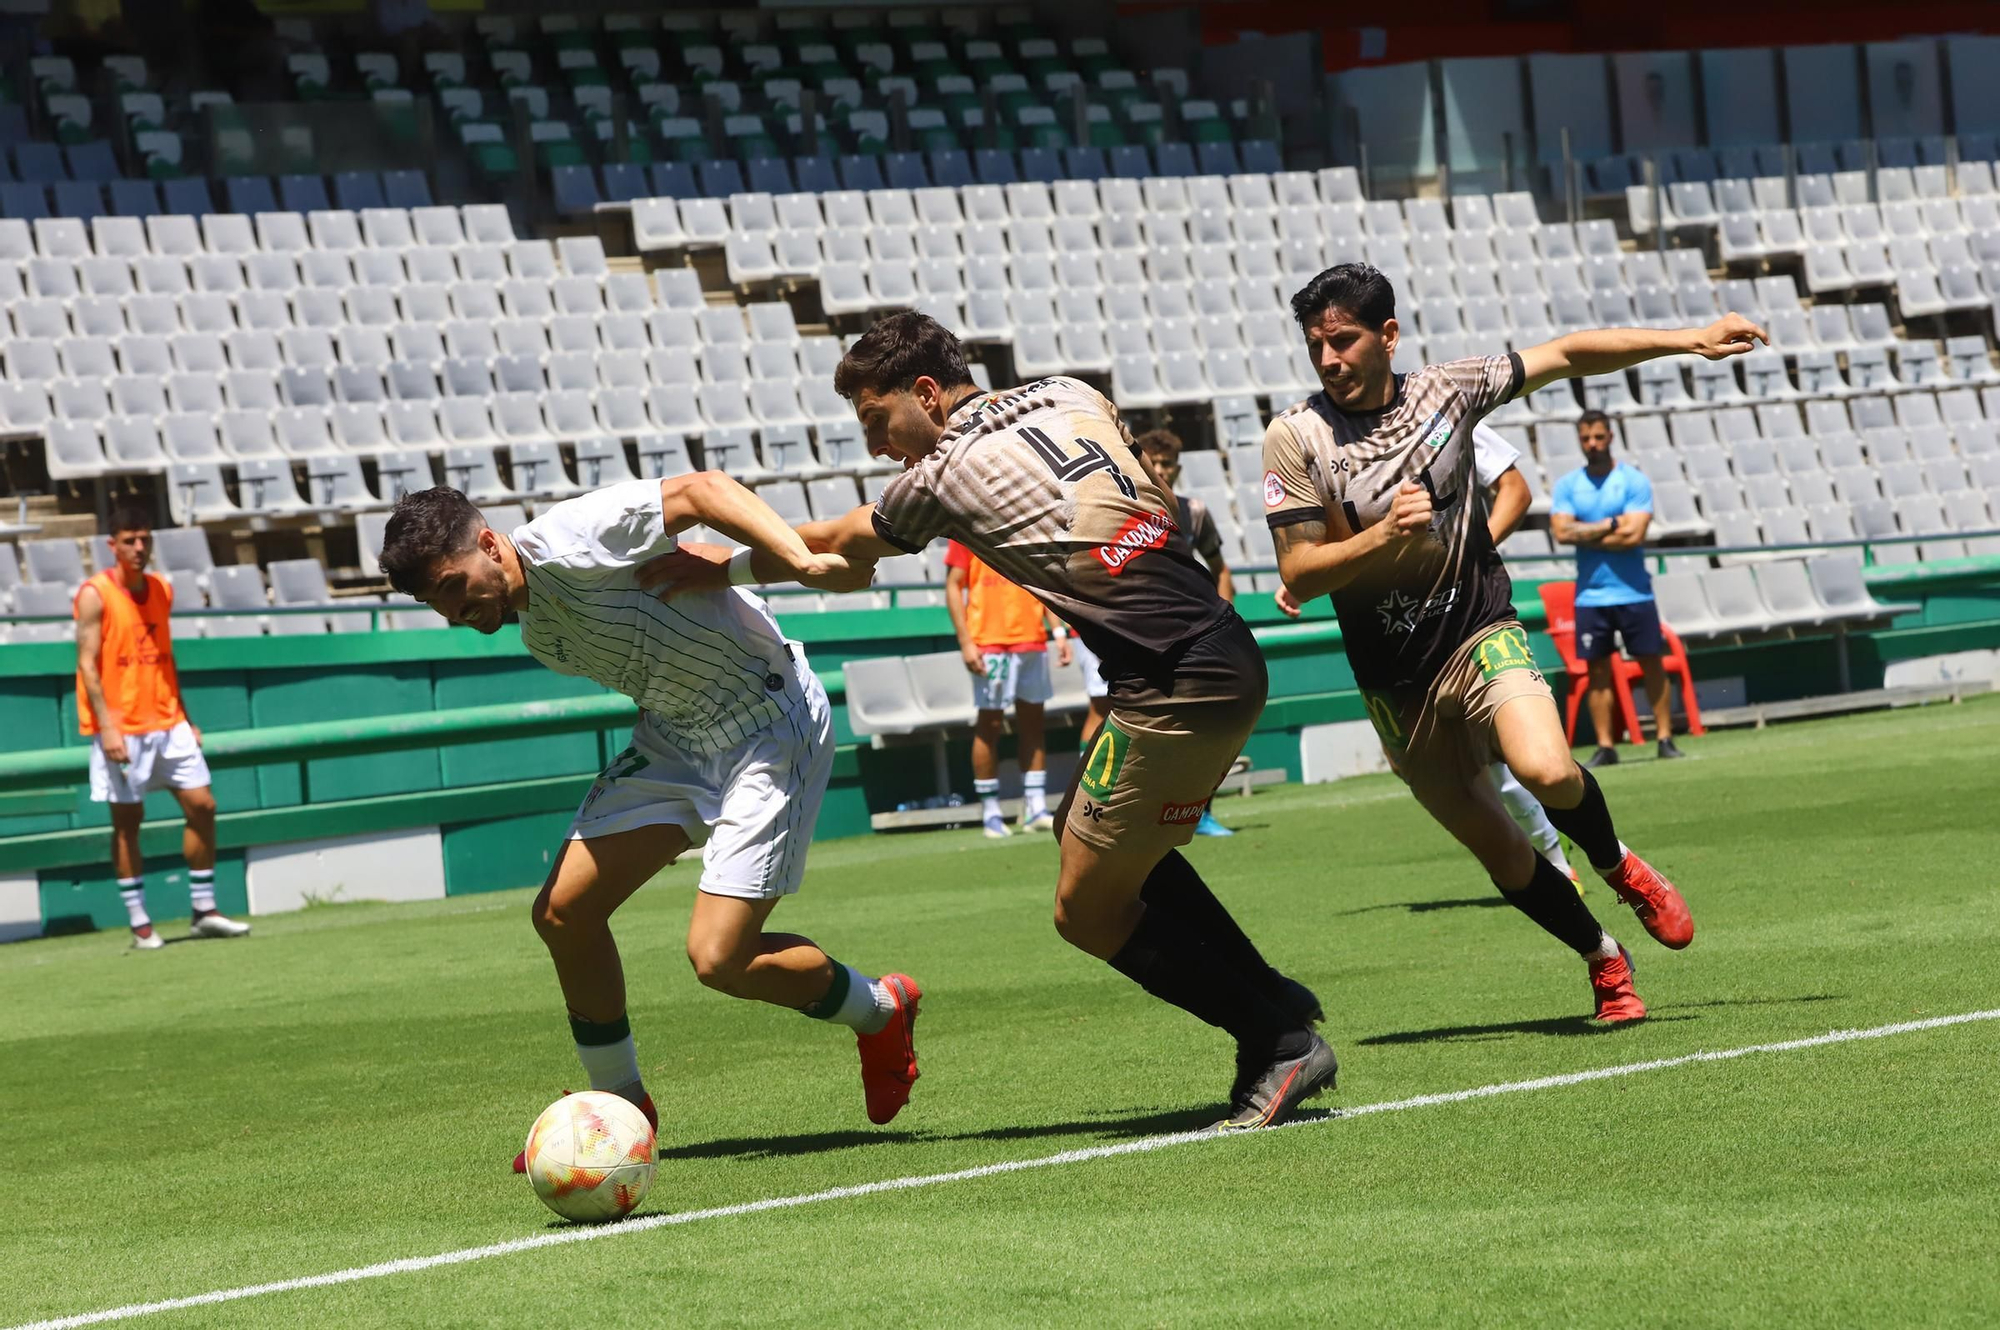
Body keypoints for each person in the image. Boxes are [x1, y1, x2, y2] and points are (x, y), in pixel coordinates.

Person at [645, 313, 1333, 1130]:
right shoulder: (1071, 391)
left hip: (1169, 681)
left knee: (1085, 912)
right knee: (1089, 836)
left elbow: (834, 542)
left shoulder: (941, 473)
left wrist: (718, 566)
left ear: (926, 394)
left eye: (877, 422)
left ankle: (1275, 1038)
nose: (877, 448)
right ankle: (1271, 992)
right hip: (1220, 646)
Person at [375, 474, 922, 1168]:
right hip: (677, 740)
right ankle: (621, 1109)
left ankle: (880, 1010)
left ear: (489, 543)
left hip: (767, 725)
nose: (452, 611)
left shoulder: (573, 537)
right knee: (564, 915)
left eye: (453, 586)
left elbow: (702, 489)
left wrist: (794, 560)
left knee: (719, 960)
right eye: (435, 602)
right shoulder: (537, 629)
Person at [1263, 264, 1759, 1022]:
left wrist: (1688, 340)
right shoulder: (1295, 438)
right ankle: (1603, 958)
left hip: (1477, 628)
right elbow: (1299, 569)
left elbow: (1566, 354)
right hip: (1396, 682)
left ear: (1387, 335)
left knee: (1547, 767)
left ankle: (1617, 863)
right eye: (1316, 345)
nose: (1328, 358)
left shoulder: (1446, 393)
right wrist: (1380, 538)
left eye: (1344, 340)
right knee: (1498, 851)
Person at [1276, 423, 1576, 883]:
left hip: (1464, 619)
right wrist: (1307, 579)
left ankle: (1561, 861)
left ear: (1388, 345)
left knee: (1511, 756)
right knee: (1431, 770)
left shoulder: (1446, 412)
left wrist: (1463, 557)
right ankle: (1538, 868)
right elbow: (1331, 543)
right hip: (1396, 642)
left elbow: (1514, 490)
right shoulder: (1327, 445)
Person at [73, 503, 250, 949]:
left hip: (168, 720)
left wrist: (186, 718)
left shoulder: (161, 590)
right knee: (128, 823)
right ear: (111, 546)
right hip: (122, 727)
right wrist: (107, 728)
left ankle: (203, 911)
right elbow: (88, 666)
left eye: (144, 539)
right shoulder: (94, 593)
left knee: (203, 806)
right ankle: (140, 924)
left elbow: (164, 661)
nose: (138, 547)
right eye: (129, 540)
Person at [1550, 410, 1685, 767]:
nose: (1592, 444)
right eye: (1585, 438)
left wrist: (1587, 531)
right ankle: (1606, 745)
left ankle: (1665, 737)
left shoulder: (1633, 480)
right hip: (1590, 595)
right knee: (1596, 672)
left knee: (1651, 664)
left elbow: (1635, 535)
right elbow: (1562, 533)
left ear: (1611, 436)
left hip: (1634, 592)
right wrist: (1612, 524)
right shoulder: (1568, 485)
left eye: (1598, 437)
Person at [1132, 428, 1237, 837]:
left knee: (1206, 724)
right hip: (1143, 635)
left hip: (1195, 633)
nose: (1161, 470)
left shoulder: (1193, 512)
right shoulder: (1129, 507)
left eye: (1167, 464)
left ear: (1177, 467)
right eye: (1153, 463)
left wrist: (1225, 615)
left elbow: (1220, 566)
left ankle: (1199, 811)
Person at [942, 540, 1072, 839]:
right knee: (990, 723)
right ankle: (991, 811)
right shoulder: (963, 530)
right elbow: (953, 586)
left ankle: (1036, 808)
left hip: (1031, 639)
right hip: (989, 642)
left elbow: (1042, 583)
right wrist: (965, 642)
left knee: (1034, 723)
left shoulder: (1026, 526)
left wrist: (1058, 631)